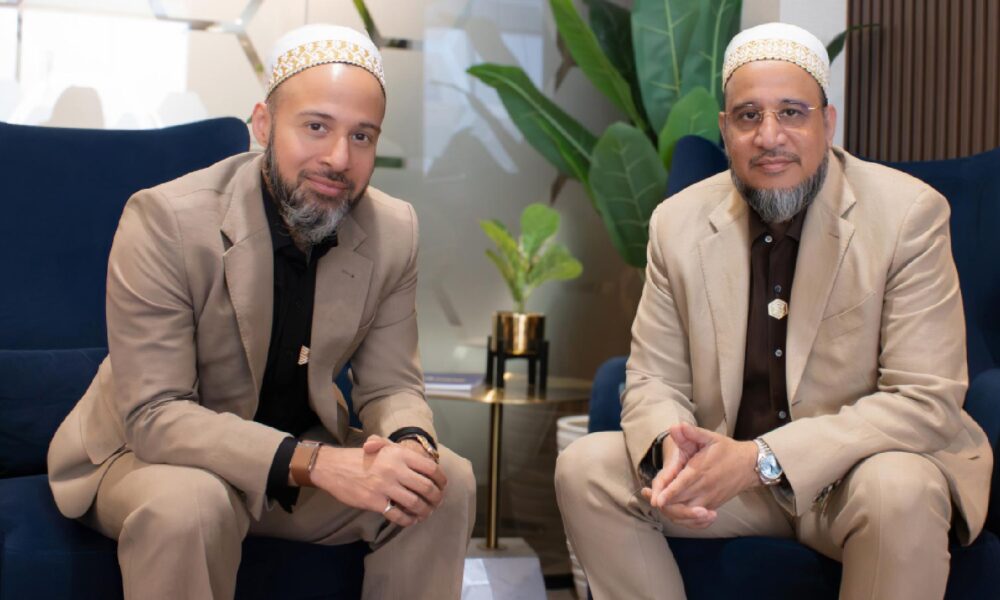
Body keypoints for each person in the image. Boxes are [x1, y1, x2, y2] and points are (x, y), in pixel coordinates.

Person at [555, 22, 991, 600]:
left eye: (791, 113)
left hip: (856, 475)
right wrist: (671, 450)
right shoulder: (677, 222)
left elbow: (925, 399)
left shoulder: (908, 214)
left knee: (901, 488)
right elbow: (653, 377)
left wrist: (764, 459)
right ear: (725, 130)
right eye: (748, 116)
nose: (770, 136)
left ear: (827, 122)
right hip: (730, 477)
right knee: (588, 469)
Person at [47, 24, 475, 599]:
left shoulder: (392, 228)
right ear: (264, 124)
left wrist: (409, 448)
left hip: (295, 458)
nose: (338, 158)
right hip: (151, 457)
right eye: (316, 126)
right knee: (192, 504)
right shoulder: (164, 221)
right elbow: (156, 415)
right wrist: (321, 463)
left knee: (442, 484)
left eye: (362, 136)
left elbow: (392, 384)